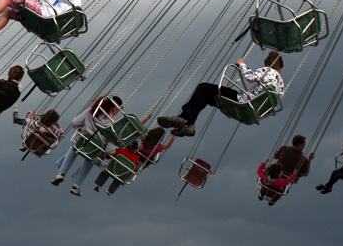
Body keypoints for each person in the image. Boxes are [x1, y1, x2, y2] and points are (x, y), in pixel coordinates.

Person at [157, 52, 285, 137]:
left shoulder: (267, 70)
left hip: (243, 101)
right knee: (207, 96)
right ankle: (189, 123)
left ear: (265, 63)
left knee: (203, 88)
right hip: (254, 111)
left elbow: (249, 77)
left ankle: (184, 118)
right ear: (281, 69)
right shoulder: (281, 88)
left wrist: (242, 64)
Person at [52, 96, 122, 197]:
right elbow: (110, 150)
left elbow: (75, 123)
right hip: (95, 150)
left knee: (75, 147)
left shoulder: (92, 111)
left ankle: (61, 173)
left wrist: (82, 128)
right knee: (90, 159)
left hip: (82, 140)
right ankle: (76, 185)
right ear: (115, 108)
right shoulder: (114, 126)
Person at [93, 127, 174, 196]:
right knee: (120, 177)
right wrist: (173, 134)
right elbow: (168, 145)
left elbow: (140, 133)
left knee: (109, 170)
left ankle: (98, 184)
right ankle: (110, 191)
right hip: (133, 166)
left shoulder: (145, 140)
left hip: (123, 161)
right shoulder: (158, 147)